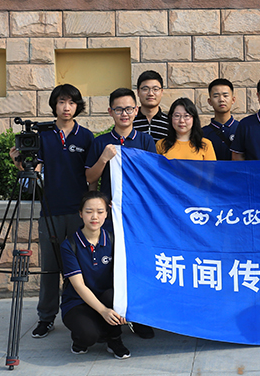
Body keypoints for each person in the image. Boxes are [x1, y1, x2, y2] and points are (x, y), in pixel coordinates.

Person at [8, 84, 93, 340]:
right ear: (54, 105)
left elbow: (91, 177)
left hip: (78, 213)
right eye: (61, 102)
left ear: (78, 106)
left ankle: (83, 313)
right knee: (50, 268)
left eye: (71, 102)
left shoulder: (86, 136)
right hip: (50, 210)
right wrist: (18, 163)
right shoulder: (42, 136)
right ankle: (46, 317)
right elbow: (34, 173)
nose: (66, 107)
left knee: (81, 266)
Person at [84, 87, 157, 340]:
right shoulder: (100, 142)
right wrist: (104, 158)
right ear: (110, 112)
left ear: (136, 110)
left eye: (128, 109)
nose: (124, 113)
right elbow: (90, 178)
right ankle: (113, 318)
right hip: (109, 217)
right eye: (118, 109)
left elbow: (153, 178)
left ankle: (139, 318)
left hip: (138, 217)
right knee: (111, 266)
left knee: (139, 265)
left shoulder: (145, 141)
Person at [60, 192, 130, 359]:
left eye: (100, 211)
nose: (94, 217)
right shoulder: (69, 245)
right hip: (78, 301)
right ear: (80, 213)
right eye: (89, 211)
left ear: (107, 213)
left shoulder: (114, 239)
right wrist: (103, 311)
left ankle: (114, 339)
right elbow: (79, 286)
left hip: (106, 297)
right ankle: (80, 340)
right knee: (89, 336)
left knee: (113, 297)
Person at [201, 78, 239, 160]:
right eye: (216, 96)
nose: (221, 99)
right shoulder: (202, 133)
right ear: (210, 101)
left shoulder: (242, 129)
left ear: (233, 100)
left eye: (225, 95)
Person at [132, 70, 169, 141]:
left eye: (155, 89)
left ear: (161, 92)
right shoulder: (130, 120)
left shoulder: (169, 122)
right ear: (138, 92)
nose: (151, 93)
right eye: (145, 89)